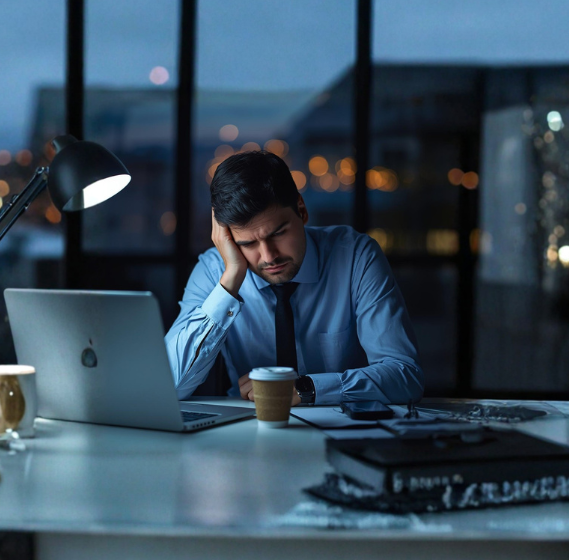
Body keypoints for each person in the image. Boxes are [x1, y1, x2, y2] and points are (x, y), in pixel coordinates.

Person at [165, 151, 423, 406]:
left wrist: (306, 388)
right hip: (246, 426)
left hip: (342, 425)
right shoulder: (214, 271)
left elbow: (405, 376)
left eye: (278, 233)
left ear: (301, 210)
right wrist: (230, 279)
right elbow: (168, 387)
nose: (269, 256)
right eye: (248, 243)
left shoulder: (356, 256)